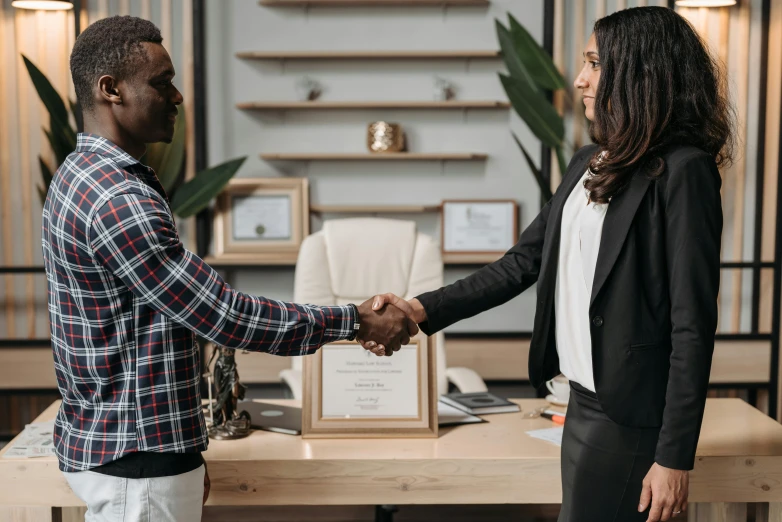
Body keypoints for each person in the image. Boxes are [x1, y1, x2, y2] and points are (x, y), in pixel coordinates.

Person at [42, 16, 415, 522]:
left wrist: (184, 456)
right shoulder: (117, 197)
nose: (176, 97)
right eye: (161, 82)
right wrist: (355, 319)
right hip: (139, 460)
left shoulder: (79, 175)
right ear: (111, 90)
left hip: (132, 448)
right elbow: (223, 315)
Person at [369, 7, 733, 522]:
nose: (581, 80)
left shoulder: (684, 171)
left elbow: (692, 325)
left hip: (628, 416)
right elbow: (520, 264)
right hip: (579, 401)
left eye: (594, 64)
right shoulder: (589, 162)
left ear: (639, 72)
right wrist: (417, 310)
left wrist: (673, 457)